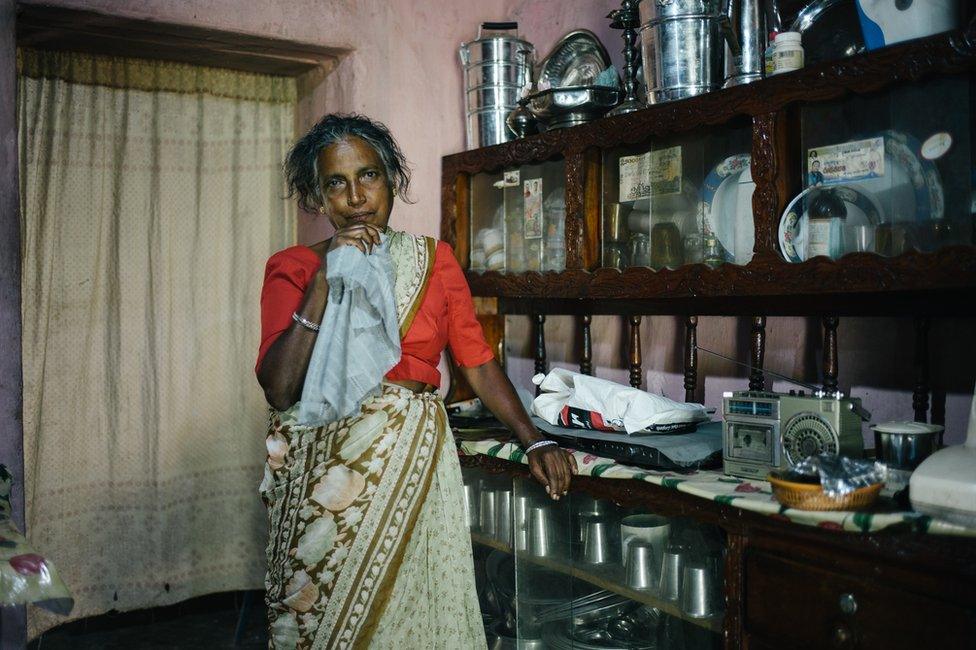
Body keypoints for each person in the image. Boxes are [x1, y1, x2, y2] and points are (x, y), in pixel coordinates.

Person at [255, 114, 577, 649]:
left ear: (393, 181)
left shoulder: (432, 261)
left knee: (414, 615)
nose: (356, 197)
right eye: (337, 183)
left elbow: (475, 361)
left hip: (411, 463)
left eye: (370, 176)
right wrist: (324, 283)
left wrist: (534, 437)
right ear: (317, 195)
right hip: (324, 480)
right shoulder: (291, 266)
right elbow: (280, 389)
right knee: (321, 616)